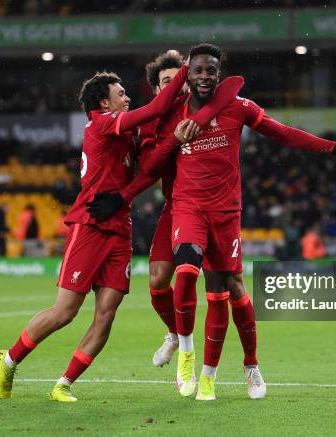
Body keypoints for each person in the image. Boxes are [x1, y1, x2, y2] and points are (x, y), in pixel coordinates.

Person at [140, 43, 336, 401]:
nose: (204, 76)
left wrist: (332, 148)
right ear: (188, 74)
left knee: (227, 291)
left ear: (218, 74)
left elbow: (282, 132)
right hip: (188, 208)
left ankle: (250, 366)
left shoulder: (239, 107)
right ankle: (185, 352)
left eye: (211, 71)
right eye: (198, 70)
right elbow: (150, 162)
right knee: (185, 272)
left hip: (225, 213)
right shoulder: (174, 114)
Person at [0, 58, 236, 403]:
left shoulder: (126, 134)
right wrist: (187, 65)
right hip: (90, 224)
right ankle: (10, 359)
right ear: (104, 103)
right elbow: (156, 106)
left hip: (120, 227)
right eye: (121, 94)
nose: (127, 98)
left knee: (106, 314)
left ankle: (63, 384)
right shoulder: (102, 124)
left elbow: (149, 165)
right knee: (65, 311)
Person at [87, 51, 245, 369]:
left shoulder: (205, 110)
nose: (175, 85)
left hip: (215, 208)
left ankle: (249, 364)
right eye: (166, 82)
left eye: (179, 79)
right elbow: (148, 169)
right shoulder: (152, 124)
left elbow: (232, 92)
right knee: (159, 280)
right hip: (176, 207)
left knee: (228, 286)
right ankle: (175, 334)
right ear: (158, 90)